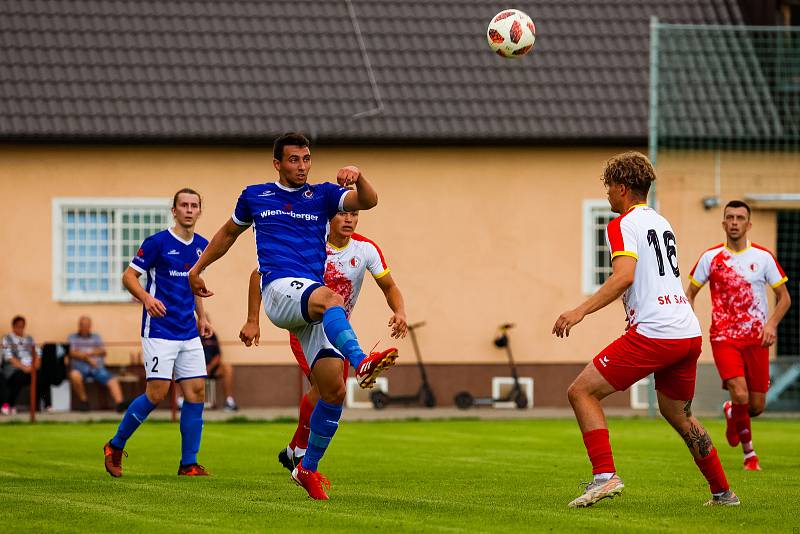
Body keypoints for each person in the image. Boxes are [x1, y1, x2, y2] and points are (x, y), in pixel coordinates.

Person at [188, 132, 399, 500]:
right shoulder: (255, 195)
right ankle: (363, 361)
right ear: (277, 163)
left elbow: (369, 200)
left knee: (332, 390)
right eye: (294, 160)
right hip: (279, 289)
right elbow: (226, 234)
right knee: (331, 299)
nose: (302, 166)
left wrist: (359, 174)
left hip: (309, 300)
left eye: (306, 159)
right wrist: (197, 269)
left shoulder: (323, 195)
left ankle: (306, 468)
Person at [552, 152, 739, 507]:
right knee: (679, 414)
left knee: (581, 392)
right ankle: (723, 492)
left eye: (608, 187)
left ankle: (604, 477)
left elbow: (624, 276)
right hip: (686, 330)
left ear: (622, 188)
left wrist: (579, 311)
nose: (607, 195)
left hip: (657, 332)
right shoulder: (661, 221)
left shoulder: (621, 224)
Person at [239, 209, 408, 472]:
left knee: (333, 393)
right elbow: (258, 273)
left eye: (354, 214)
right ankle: (302, 457)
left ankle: (295, 451)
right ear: (329, 217)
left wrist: (399, 312)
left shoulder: (366, 249)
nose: (349, 219)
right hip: (305, 327)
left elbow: (390, 286)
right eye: (342, 214)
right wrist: (252, 320)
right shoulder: (310, 243)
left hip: (339, 333)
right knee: (324, 388)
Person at [103, 188, 213, 478]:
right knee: (157, 393)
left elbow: (196, 283)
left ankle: (188, 463)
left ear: (200, 211)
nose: (189, 210)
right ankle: (115, 445)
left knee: (196, 392)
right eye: (183, 205)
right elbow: (128, 277)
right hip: (160, 330)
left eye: (194, 205)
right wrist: (146, 299)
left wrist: (202, 317)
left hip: (188, 332)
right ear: (174, 211)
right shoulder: (157, 243)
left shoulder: (203, 246)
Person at [686, 200, 791, 471]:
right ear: (723, 223)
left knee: (755, 406)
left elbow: (784, 298)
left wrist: (771, 325)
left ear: (749, 224)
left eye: (740, 218)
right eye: (730, 217)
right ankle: (750, 456)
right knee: (741, 393)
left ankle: (732, 412)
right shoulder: (710, 258)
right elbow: (690, 294)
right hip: (723, 337)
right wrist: (689, 322)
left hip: (756, 339)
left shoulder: (763, 257)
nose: (734, 222)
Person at [68, 316, 126, 412]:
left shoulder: (96, 337)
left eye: (87, 325)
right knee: (74, 375)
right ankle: (84, 402)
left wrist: (90, 353)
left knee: (112, 379)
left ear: (90, 326)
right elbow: (71, 352)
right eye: (82, 325)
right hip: (80, 368)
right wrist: (87, 359)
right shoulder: (73, 337)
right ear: (79, 326)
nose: (85, 327)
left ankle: (120, 404)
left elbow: (103, 351)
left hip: (97, 368)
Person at [1, 316, 51, 414]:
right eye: (18, 326)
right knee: (20, 377)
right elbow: (10, 358)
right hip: (15, 370)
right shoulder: (6, 339)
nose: (20, 329)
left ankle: (46, 405)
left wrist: (33, 366)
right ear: (13, 326)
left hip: (30, 369)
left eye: (22, 327)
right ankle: (10, 405)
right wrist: (24, 368)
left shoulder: (29, 338)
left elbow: (38, 354)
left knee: (42, 376)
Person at [201, 325, 239, 411]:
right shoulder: (193, 335)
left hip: (211, 368)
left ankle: (229, 401)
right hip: (197, 368)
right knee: (178, 369)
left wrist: (210, 367)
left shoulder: (212, 336)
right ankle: (181, 402)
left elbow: (218, 355)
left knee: (227, 368)